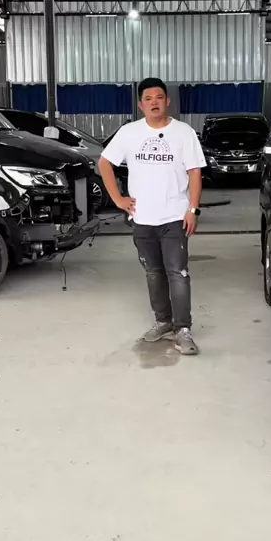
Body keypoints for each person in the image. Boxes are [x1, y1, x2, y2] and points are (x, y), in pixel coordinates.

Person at [99, 77, 206, 355]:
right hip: (142, 218)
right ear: (140, 105)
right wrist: (118, 199)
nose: (154, 103)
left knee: (178, 273)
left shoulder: (183, 133)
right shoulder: (129, 133)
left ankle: (183, 329)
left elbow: (195, 172)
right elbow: (104, 162)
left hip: (174, 216)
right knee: (153, 272)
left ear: (167, 101)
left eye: (159, 97)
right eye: (148, 99)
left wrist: (193, 209)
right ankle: (163, 321)